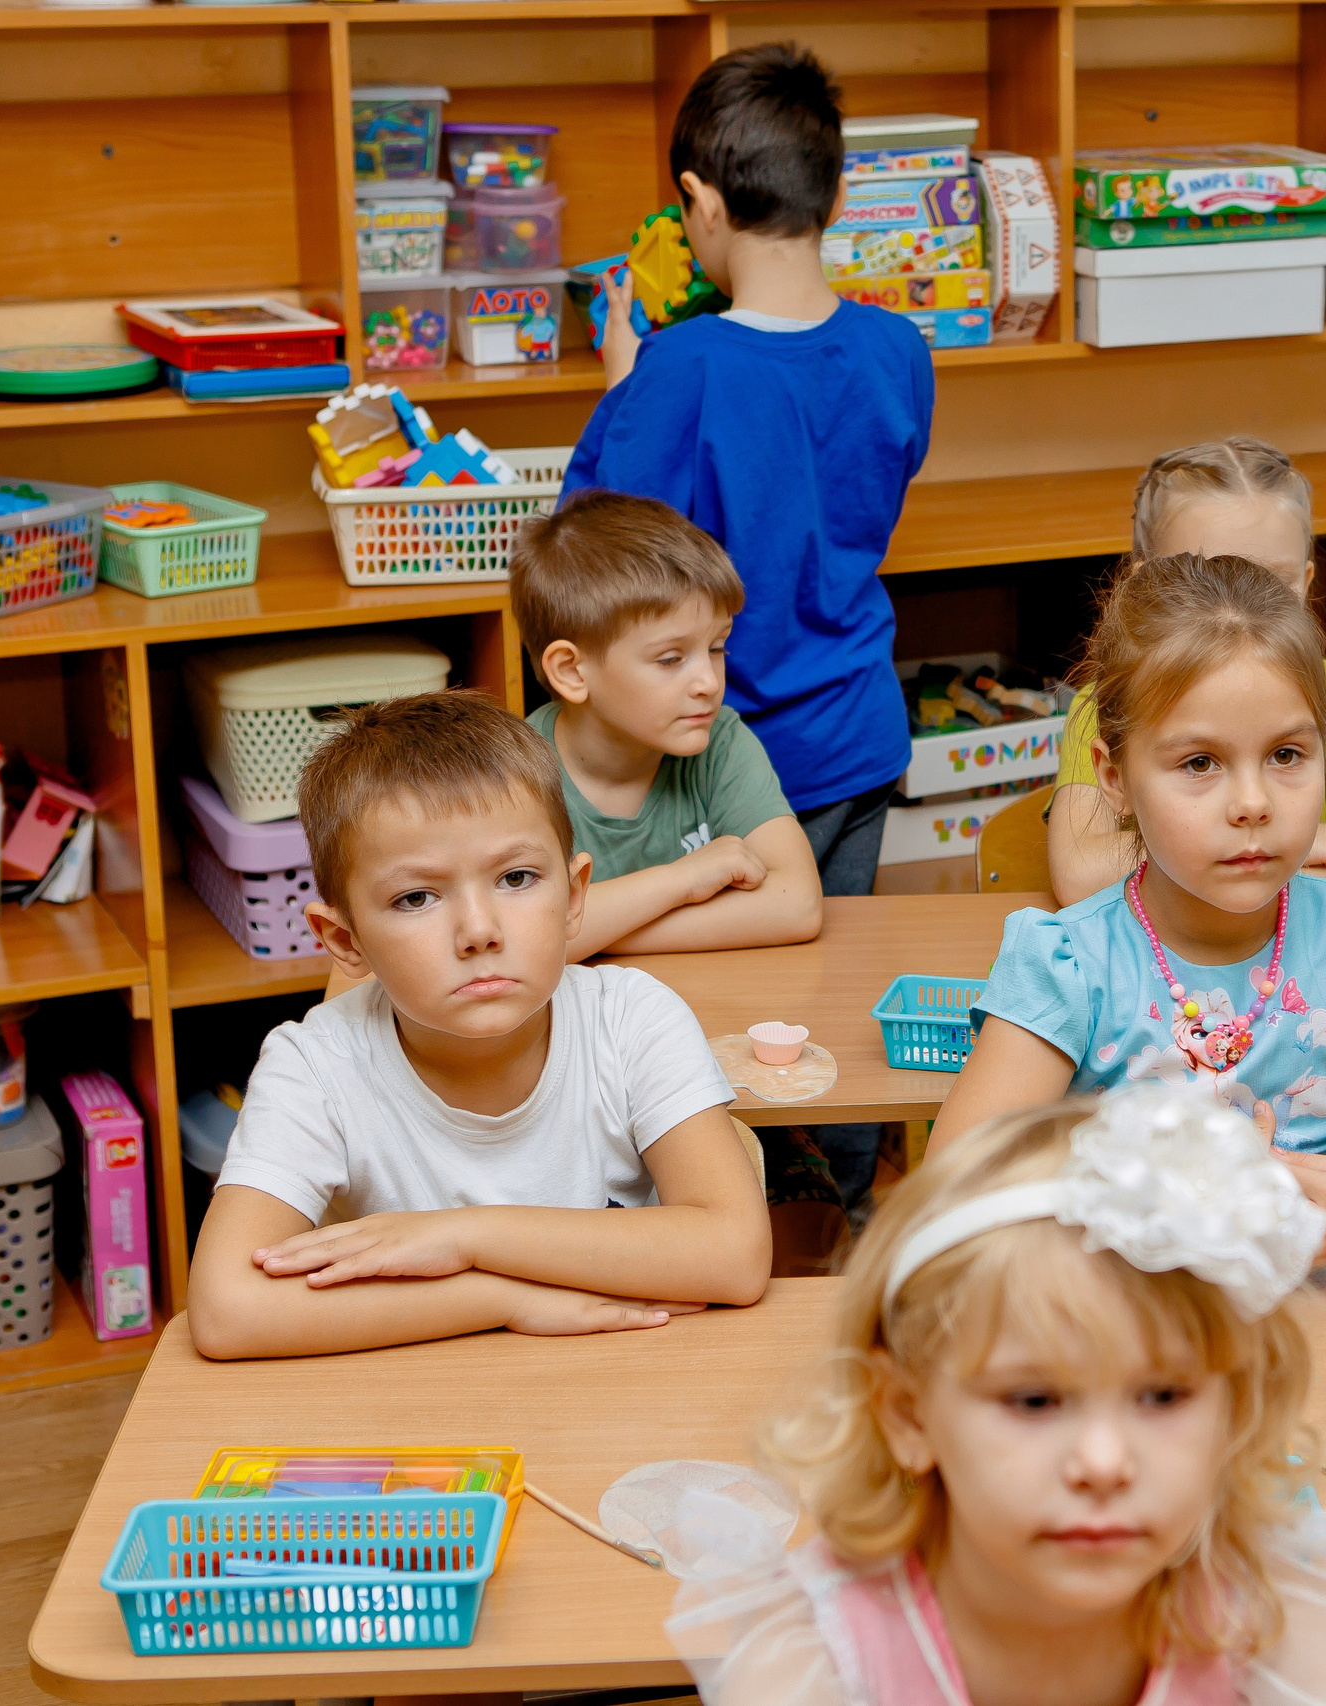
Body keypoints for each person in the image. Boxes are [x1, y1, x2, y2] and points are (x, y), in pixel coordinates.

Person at [665, 1086, 1326, 1706]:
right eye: (1034, 1402)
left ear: (1237, 1407)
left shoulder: (1269, 1624)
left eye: (1164, 1395)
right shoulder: (817, 1662)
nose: (1104, 1463)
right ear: (908, 1414)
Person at [933, 554, 1326, 1262]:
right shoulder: (1070, 967)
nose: (1254, 803)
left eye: (1287, 755)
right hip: (1126, 1349)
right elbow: (954, 1199)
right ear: (1115, 780)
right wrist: (1141, 1200)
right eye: (1200, 763)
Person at [185, 691, 770, 1359]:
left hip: (621, 1377)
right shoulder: (312, 1065)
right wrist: (505, 1299)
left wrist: (462, 1237)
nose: (479, 931)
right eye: (416, 897)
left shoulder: (633, 1018)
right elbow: (226, 1311)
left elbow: (736, 1254)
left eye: (517, 878)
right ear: (343, 940)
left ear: (574, 896)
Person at [567, 43, 929, 901]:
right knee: (826, 973)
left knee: (723, 992)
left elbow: (595, 548)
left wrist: (626, 386)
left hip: (730, 759)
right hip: (860, 734)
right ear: (839, 197)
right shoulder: (900, 348)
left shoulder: (678, 368)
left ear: (698, 199)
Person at [1048, 438, 1326, 908]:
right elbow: (1077, 874)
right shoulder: (1109, 701)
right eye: (1205, 574)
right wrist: (1304, 845)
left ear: (1305, 584)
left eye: (1270, 584)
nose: (1237, 604)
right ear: (1143, 584)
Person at [512, 490, 823, 958]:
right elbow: (517, 936)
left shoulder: (720, 739)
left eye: (717, 648)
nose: (708, 682)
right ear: (573, 672)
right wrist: (685, 879)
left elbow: (797, 904)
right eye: (670, 658)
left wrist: (590, 932)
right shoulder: (511, 777)